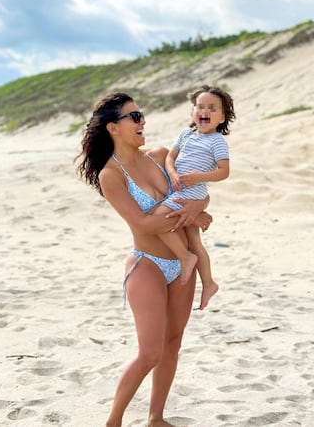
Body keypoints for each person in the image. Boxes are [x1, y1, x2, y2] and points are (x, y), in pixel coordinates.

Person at [76, 91, 212, 427]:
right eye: (134, 117)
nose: (143, 122)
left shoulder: (161, 155)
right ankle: (113, 421)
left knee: (173, 342)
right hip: (147, 265)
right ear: (113, 128)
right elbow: (142, 223)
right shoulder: (112, 175)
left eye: (142, 115)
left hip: (184, 264)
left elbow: (198, 193)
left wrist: (198, 206)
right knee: (150, 352)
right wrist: (191, 215)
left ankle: (155, 418)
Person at [153, 84, 235, 310]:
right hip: (179, 185)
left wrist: (199, 177)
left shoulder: (217, 141)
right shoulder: (186, 134)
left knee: (158, 218)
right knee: (195, 240)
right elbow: (170, 157)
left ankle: (184, 257)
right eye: (200, 107)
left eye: (212, 108)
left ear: (222, 117)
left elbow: (223, 172)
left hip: (193, 190)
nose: (204, 111)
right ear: (193, 112)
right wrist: (172, 172)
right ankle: (209, 283)